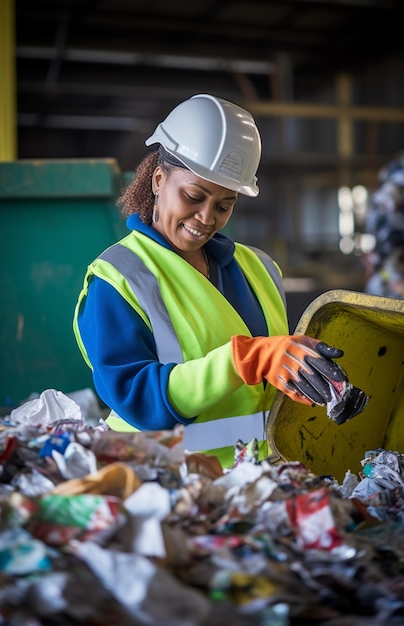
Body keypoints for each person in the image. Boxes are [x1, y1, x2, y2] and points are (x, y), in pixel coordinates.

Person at [73, 93, 367, 469]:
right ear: (159, 180)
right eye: (194, 196)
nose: (206, 218)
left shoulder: (259, 267)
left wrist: (304, 378)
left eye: (224, 205)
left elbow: (261, 389)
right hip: (166, 482)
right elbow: (140, 400)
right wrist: (244, 359)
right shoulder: (118, 277)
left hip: (258, 479)